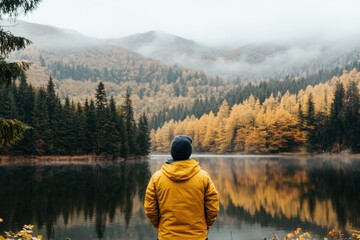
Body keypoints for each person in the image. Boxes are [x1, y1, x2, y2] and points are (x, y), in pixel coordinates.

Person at [144, 135, 219, 240]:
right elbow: (213, 209)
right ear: (189, 153)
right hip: (197, 236)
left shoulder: (157, 178)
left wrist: (161, 226)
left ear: (172, 152)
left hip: (167, 236)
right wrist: (204, 226)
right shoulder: (203, 177)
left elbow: (150, 209)